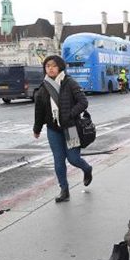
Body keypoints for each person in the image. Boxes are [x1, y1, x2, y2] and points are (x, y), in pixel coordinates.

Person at [33, 55, 93, 203]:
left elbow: (83, 102)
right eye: (47, 66)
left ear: (60, 67)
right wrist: (37, 128)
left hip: (71, 128)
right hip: (53, 129)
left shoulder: (69, 82)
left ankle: (87, 169)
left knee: (73, 159)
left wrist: (70, 115)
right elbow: (39, 110)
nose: (50, 68)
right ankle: (64, 190)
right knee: (58, 161)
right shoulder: (43, 87)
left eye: (53, 65)